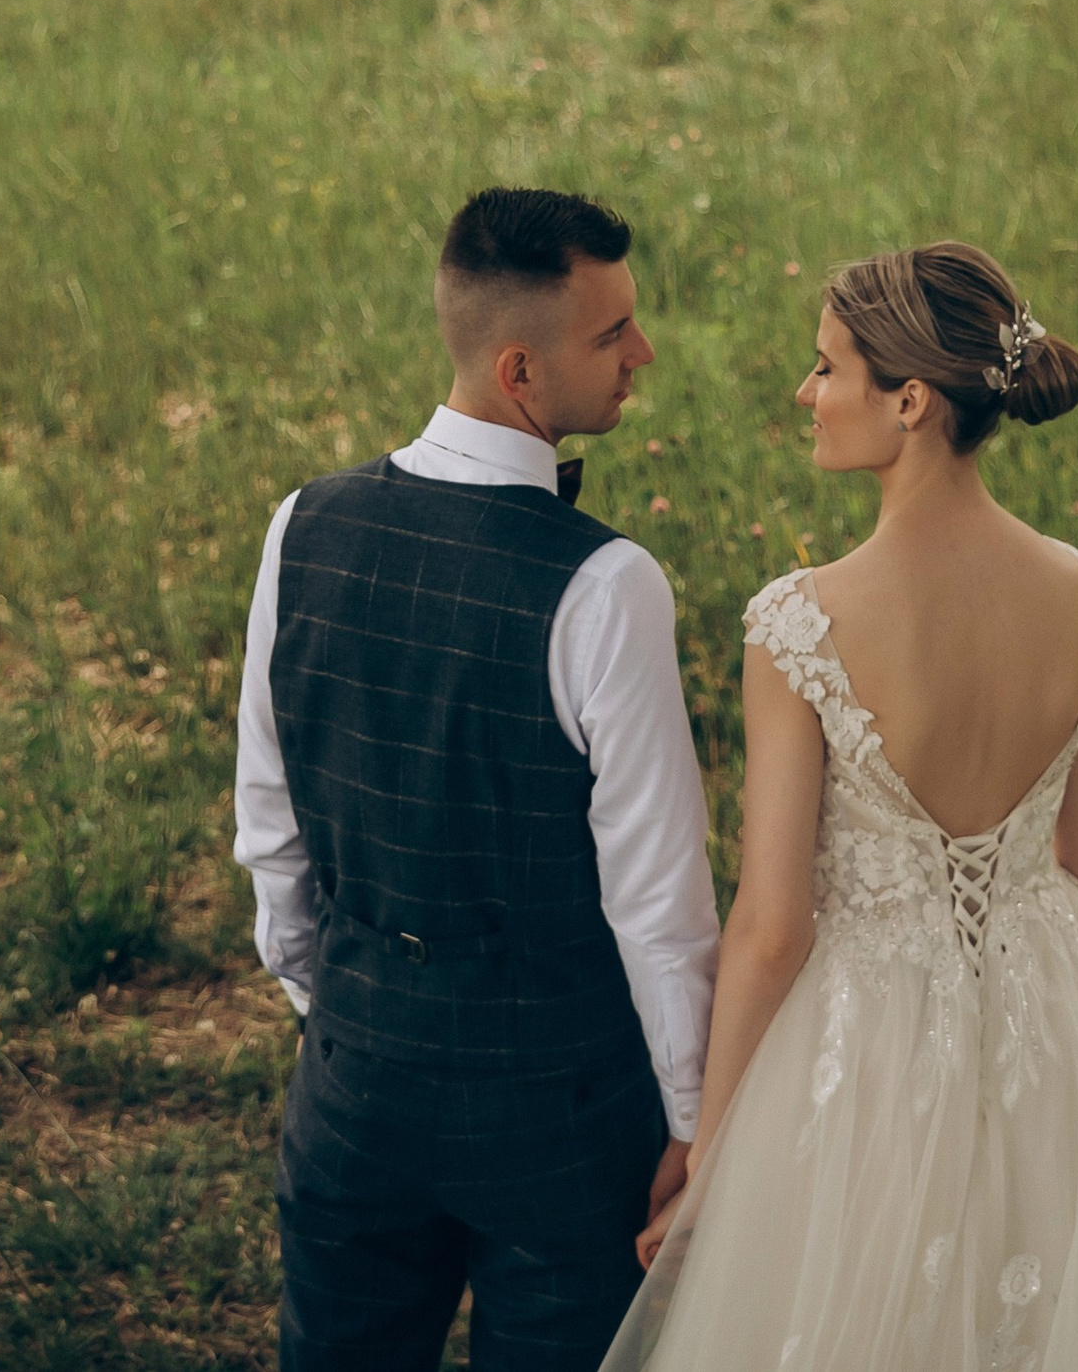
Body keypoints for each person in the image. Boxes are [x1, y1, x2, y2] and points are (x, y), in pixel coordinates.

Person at [601, 241, 1078, 1372]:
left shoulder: (803, 621)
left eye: (824, 367)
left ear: (908, 400)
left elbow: (774, 924)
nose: (806, 393)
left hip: (870, 1044)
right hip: (1054, 1013)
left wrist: (710, 1157)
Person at [234, 184, 719, 1372]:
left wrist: (340, 1013)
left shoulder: (302, 523)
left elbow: (272, 833)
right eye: (612, 333)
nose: (641, 353)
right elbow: (659, 908)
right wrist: (696, 1124)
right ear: (519, 368)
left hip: (352, 1088)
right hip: (561, 1124)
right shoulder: (608, 585)